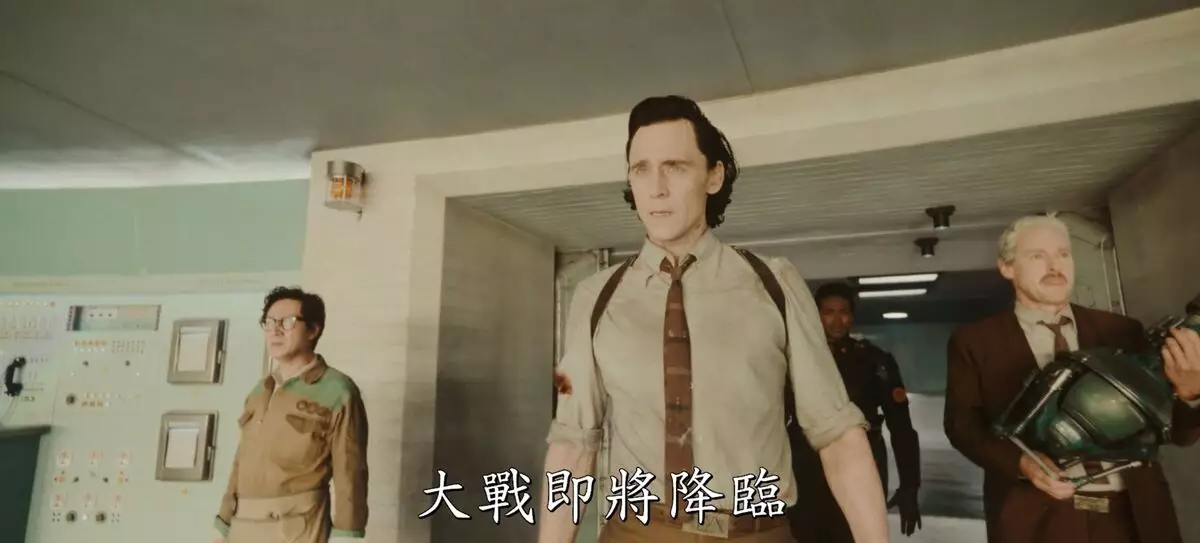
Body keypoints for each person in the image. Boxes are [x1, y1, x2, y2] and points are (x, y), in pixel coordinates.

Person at [538, 95, 889, 543]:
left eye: (675, 167)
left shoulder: (773, 282)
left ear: (714, 176)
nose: (656, 187)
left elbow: (837, 435)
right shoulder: (596, 296)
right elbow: (572, 445)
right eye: (641, 169)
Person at [943, 214, 1200, 543]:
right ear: (1007, 267)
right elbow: (963, 427)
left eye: (1063, 254)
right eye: (1037, 256)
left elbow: (1179, 434)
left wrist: (1190, 394)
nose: (1055, 266)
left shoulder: (1123, 331)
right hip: (1037, 519)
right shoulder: (974, 342)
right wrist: (1023, 464)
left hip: (1133, 516)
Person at [213, 286, 369, 543]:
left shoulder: (337, 390)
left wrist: (346, 535)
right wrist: (222, 525)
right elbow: (241, 461)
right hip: (243, 527)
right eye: (269, 322)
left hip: (298, 529)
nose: (275, 330)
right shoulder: (260, 391)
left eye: (287, 322)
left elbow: (350, 473)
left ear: (313, 330)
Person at [788, 282, 922, 542]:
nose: (837, 320)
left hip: (861, 464)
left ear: (852, 315)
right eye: (829, 312)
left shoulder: (873, 361)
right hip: (806, 468)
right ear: (815, 315)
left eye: (844, 312)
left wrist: (910, 485)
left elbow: (902, 428)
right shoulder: (796, 361)